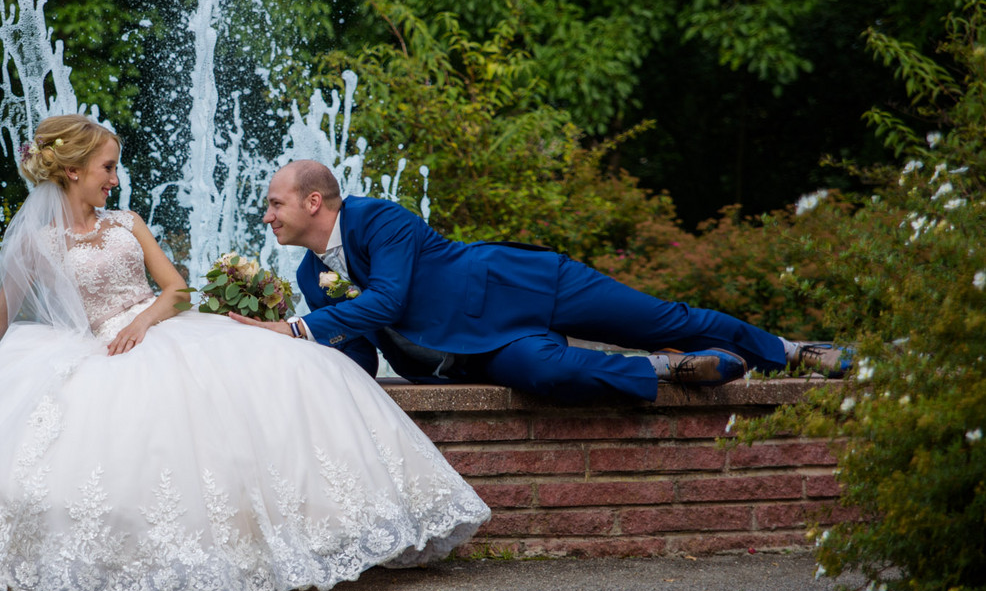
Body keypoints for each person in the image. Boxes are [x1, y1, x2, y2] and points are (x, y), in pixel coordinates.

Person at [0, 117, 490, 591]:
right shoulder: (33, 244)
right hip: (80, 355)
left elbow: (176, 290)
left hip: (160, 336)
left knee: (306, 371)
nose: (115, 177)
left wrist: (142, 320)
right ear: (74, 170)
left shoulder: (126, 223)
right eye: (107, 167)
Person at [229, 160, 850, 402]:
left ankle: (791, 351)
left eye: (274, 204)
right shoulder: (313, 276)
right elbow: (358, 358)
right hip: (483, 349)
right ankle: (668, 370)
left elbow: (388, 298)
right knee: (545, 375)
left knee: (666, 320)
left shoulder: (376, 218)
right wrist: (294, 359)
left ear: (314, 202)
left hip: (525, 286)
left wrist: (295, 326)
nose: (267, 216)